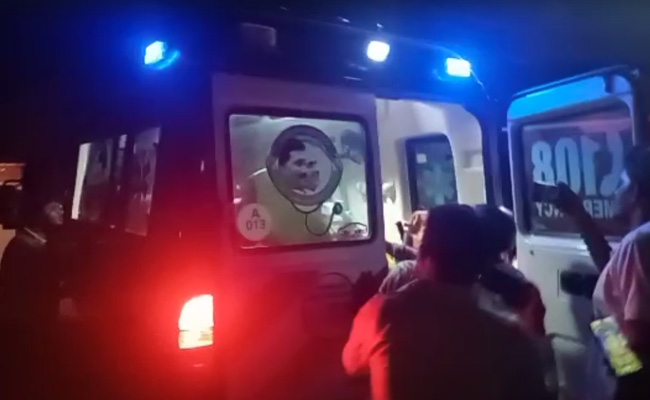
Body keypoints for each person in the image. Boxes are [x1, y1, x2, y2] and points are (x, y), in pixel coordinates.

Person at [343, 204, 550, 400]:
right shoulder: (511, 337)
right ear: (481, 265)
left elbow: (352, 364)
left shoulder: (381, 313)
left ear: (422, 255)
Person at [553, 145, 650, 399]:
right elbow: (613, 267)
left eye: (621, 183)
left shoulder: (638, 243)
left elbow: (638, 339)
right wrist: (579, 214)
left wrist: (603, 326)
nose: (615, 192)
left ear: (635, 191)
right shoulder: (640, 240)